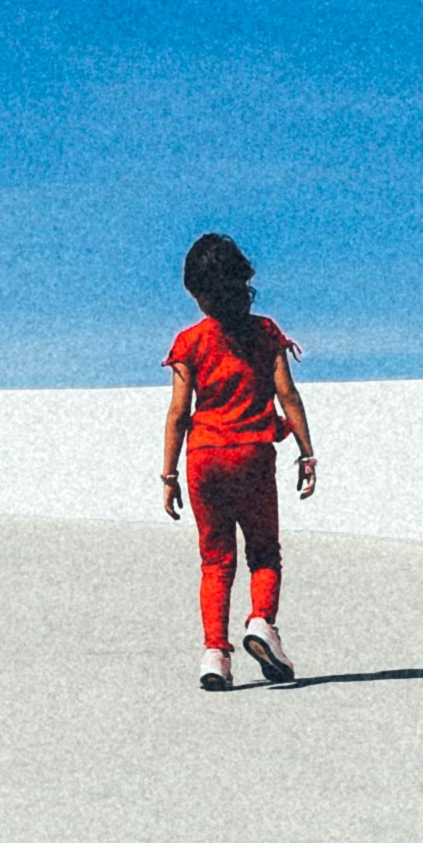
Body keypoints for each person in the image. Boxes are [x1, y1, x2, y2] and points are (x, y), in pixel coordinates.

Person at [160, 232, 315, 685]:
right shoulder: (266, 334)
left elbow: (177, 414)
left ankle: (215, 655)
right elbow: (288, 395)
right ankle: (262, 622)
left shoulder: (189, 342)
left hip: (203, 459)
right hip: (252, 456)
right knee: (264, 553)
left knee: (215, 560)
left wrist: (168, 475)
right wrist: (307, 453)